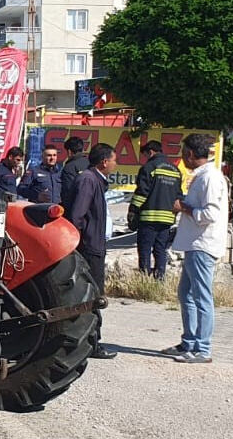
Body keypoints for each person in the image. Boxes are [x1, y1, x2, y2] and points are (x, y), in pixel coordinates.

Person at [162, 134, 228, 364]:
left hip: (203, 244)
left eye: (183, 153)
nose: (183, 158)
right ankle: (189, 341)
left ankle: (203, 348)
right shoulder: (201, 177)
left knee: (202, 297)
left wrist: (184, 208)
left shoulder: (210, 178)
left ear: (190, 154)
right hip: (194, 244)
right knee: (186, 294)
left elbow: (210, 214)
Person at [68, 142, 118, 360]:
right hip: (89, 248)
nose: (116, 164)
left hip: (96, 245)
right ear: (104, 162)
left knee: (96, 295)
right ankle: (92, 344)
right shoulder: (89, 180)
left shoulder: (96, 180)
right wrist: (80, 241)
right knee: (93, 297)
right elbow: (78, 215)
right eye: (114, 160)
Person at [127, 140, 182, 279]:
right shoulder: (175, 170)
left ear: (150, 152)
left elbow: (142, 192)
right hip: (167, 219)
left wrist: (133, 210)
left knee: (145, 249)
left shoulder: (149, 167)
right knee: (160, 249)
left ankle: (145, 279)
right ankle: (160, 278)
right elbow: (178, 196)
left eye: (145, 155)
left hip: (149, 218)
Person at [60, 136, 90, 212]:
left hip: (75, 209)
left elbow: (68, 191)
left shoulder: (69, 167)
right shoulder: (90, 164)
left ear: (69, 151)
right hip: (91, 207)